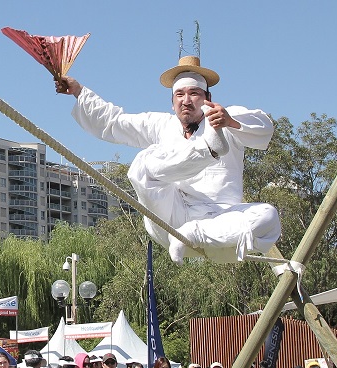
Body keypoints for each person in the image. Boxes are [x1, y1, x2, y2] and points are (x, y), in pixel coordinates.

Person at [56, 57, 279, 264]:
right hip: (173, 217)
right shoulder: (161, 125)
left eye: (194, 93)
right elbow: (114, 122)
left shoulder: (225, 118)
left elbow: (265, 127)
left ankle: (193, 232)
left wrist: (231, 121)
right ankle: (208, 150)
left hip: (221, 224)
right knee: (143, 164)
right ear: (172, 103)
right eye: (180, 95)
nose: (187, 100)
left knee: (269, 216)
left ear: (207, 99)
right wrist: (79, 91)